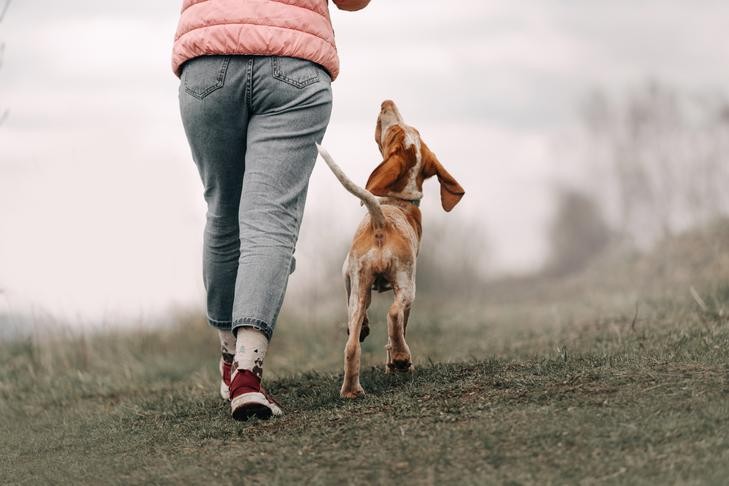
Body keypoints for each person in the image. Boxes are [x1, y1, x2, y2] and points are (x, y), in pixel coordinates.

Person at [173, 0, 371, 420]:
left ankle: (230, 362)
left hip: (208, 60)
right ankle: (247, 373)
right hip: (293, 63)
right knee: (270, 221)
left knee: (223, 212)